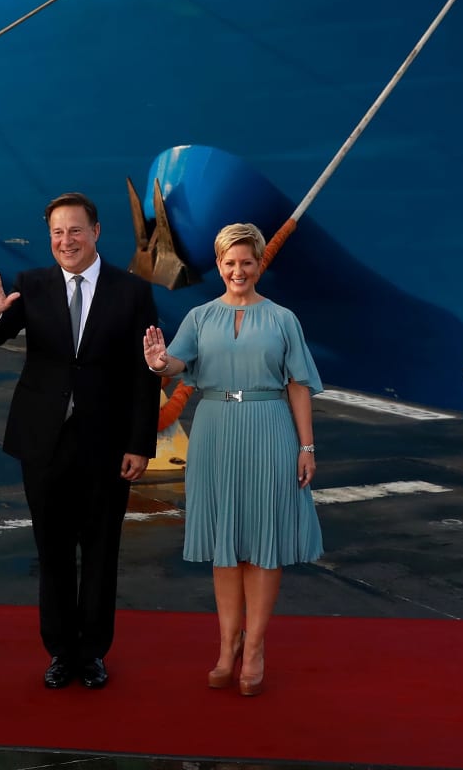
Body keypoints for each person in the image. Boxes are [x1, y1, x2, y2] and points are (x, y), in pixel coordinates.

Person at [0, 192, 160, 690]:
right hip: (44, 440)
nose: (66, 241)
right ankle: (60, 651)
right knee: (52, 550)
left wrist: (140, 443)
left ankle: (93, 652)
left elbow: (144, 373)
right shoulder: (31, 284)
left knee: (101, 551)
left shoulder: (131, 291)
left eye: (75, 230)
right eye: (57, 232)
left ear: (96, 232)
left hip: (107, 443)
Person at [142, 222, 322, 698]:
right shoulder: (200, 317)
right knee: (226, 544)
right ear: (219, 265)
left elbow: (298, 385)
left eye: (246, 262)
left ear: (259, 264)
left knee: (263, 543)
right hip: (215, 430)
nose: (238, 270)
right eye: (229, 262)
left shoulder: (283, 319)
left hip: (270, 428)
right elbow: (174, 363)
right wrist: (158, 362)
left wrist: (306, 447)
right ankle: (227, 648)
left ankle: (255, 648)